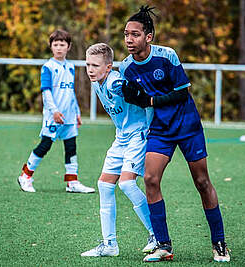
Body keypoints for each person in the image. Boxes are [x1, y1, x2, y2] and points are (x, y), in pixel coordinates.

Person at [120, 6, 230, 262]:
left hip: (187, 126)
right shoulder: (126, 68)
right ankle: (164, 245)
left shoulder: (167, 55)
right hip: (160, 130)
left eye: (134, 34)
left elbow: (181, 92)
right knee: (150, 179)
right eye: (126, 34)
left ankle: (219, 242)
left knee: (202, 182)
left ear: (148, 37)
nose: (128, 39)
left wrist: (148, 100)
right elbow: (131, 96)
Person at [81, 43, 156, 257]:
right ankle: (109, 244)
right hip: (121, 137)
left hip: (138, 135)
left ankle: (156, 235)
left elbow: (139, 97)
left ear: (108, 67)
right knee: (104, 184)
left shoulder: (115, 82)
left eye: (95, 65)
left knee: (126, 183)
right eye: (87, 64)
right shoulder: (96, 83)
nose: (90, 69)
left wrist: (149, 128)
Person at [17, 29, 94, 194]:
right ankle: (25, 176)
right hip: (54, 115)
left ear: (68, 46)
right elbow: (46, 92)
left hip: (69, 115)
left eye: (62, 44)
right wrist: (54, 111)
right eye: (56, 44)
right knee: (45, 145)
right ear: (51, 47)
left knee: (71, 147)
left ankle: (72, 182)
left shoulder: (71, 67)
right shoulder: (48, 67)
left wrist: (77, 112)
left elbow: (71, 92)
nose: (59, 47)